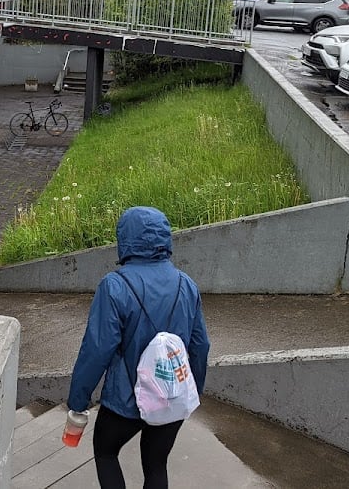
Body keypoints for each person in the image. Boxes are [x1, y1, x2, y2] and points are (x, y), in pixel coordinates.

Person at [67, 206, 210, 489]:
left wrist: (78, 401)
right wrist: (190, 392)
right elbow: (201, 345)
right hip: (171, 400)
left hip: (125, 403)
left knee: (106, 452)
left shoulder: (115, 286)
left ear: (125, 239)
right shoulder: (186, 284)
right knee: (156, 465)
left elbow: (96, 350)